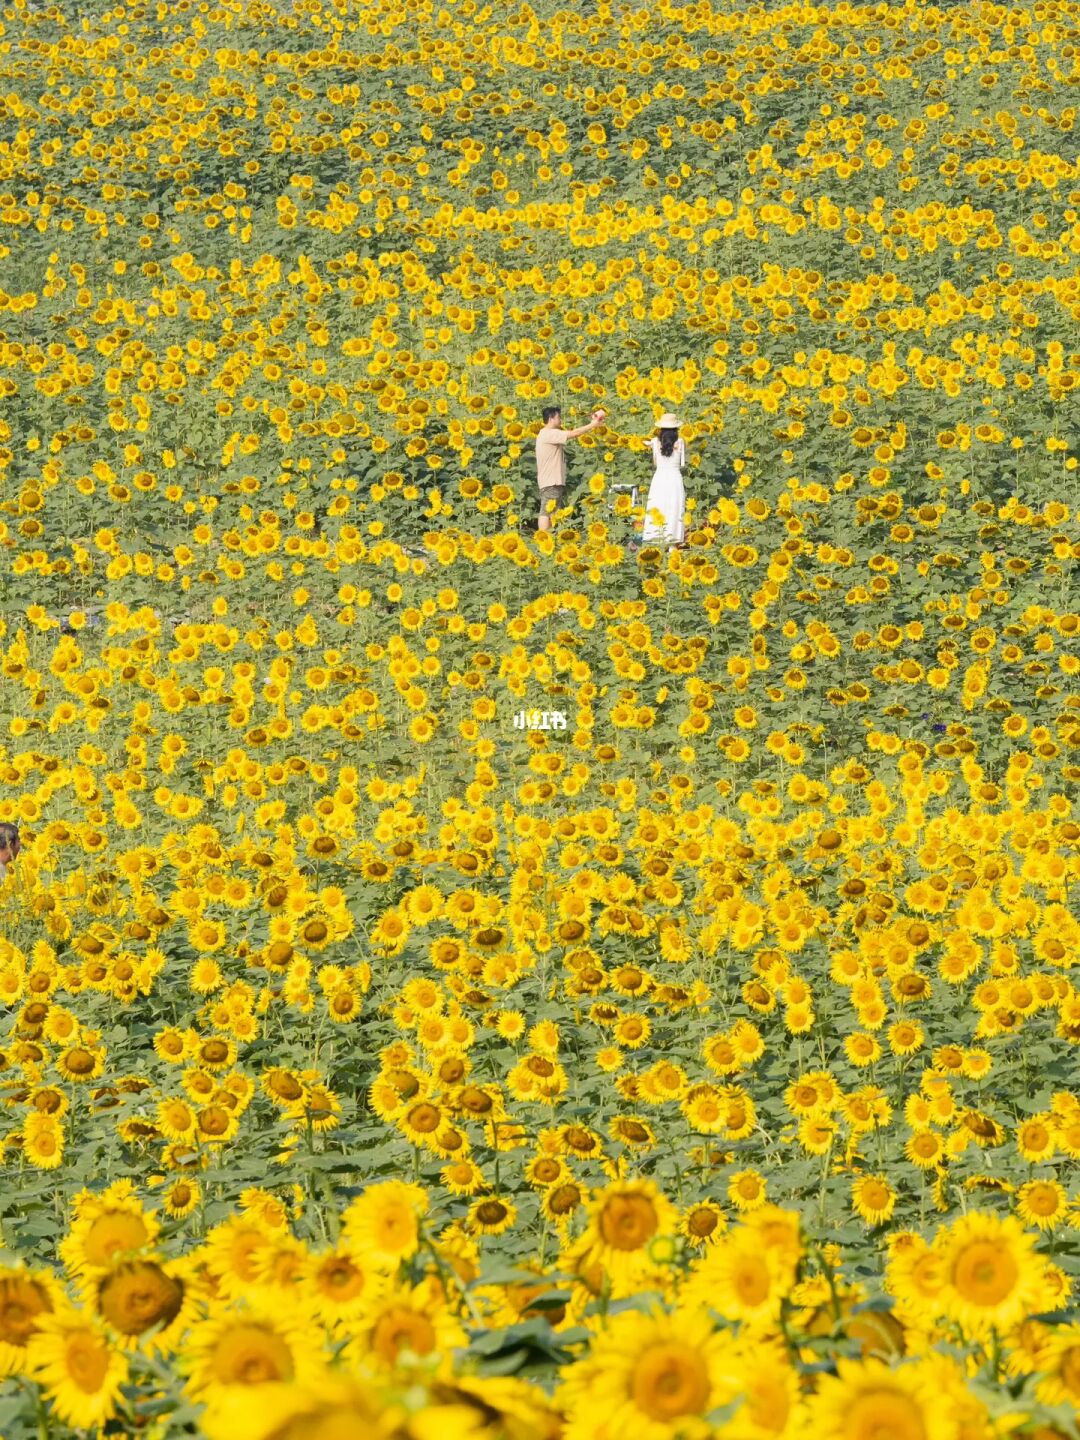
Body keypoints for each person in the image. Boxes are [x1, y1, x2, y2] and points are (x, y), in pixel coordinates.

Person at [535, 405, 605, 531]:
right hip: (551, 480)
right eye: (558, 417)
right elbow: (574, 433)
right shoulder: (550, 433)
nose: (560, 419)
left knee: (552, 510)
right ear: (551, 419)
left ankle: (550, 535)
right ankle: (542, 536)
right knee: (546, 511)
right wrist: (592, 424)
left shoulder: (545, 433)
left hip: (550, 480)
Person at [641, 412, 687, 546]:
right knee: (674, 508)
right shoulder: (680, 442)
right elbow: (682, 463)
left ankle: (656, 540)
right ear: (676, 429)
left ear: (661, 429)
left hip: (660, 478)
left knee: (658, 506)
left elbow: (655, 462)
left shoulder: (655, 442)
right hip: (674, 479)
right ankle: (673, 543)